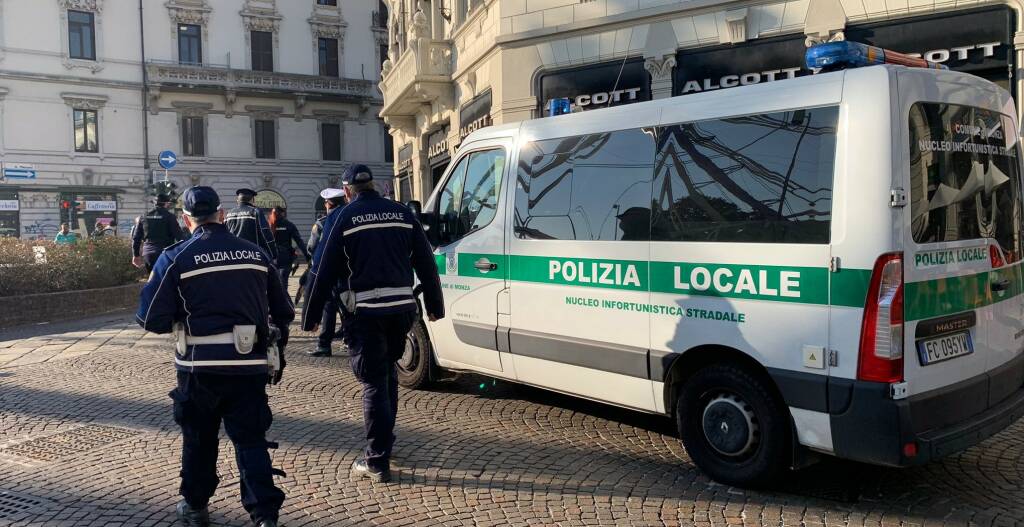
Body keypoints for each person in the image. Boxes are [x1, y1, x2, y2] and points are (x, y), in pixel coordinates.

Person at [136, 186, 292, 527]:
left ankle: (195, 506)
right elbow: (283, 310)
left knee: (199, 440)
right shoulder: (254, 254)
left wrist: (181, 314)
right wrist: (279, 347)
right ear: (221, 214)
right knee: (251, 440)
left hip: (198, 366)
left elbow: (150, 318)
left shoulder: (175, 257)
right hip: (248, 364)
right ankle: (265, 515)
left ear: (186, 219)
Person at [302, 165, 444, 483]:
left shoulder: (343, 217)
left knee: (373, 382)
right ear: (376, 186)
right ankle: (386, 443)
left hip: (365, 313)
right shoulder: (402, 213)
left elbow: (321, 270)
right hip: (402, 312)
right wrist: (435, 306)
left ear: (348, 190)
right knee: (388, 372)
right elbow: (426, 261)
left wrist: (310, 317)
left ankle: (377, 459)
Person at [304, 188, 346, 357]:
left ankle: (324, 345)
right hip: (347, 273)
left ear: (328, 204)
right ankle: (350, 340)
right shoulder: (349, 218)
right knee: (348, 307)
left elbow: (311, 247)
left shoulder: (322, 222)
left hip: (327, 272)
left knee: (329, 308)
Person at [131, 193, 187, 271]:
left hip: (148, 254)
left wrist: (135, 255)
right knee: (166, 280)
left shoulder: (143, 216)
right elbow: (179, 236)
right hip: (166, 253)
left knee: (152, 280)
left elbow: (136, 238)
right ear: (166, 203)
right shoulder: (170, 216)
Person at [226, 188, 277, 260]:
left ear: (237, 200)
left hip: (232, 255)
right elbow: (266, 234)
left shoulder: (228, 213)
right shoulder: (255, 212)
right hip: (251, 255)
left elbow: (224, 233)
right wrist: (273, 254)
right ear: (252, 200)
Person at [269, 206, 310, 292]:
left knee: (272, 282)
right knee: (283, 281)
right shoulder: (289, 225)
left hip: (271, 257)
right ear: (283, 213)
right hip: (285, 256)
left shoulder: (268, 225)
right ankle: (284, 301)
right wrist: (307, 256)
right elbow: (299, 241)